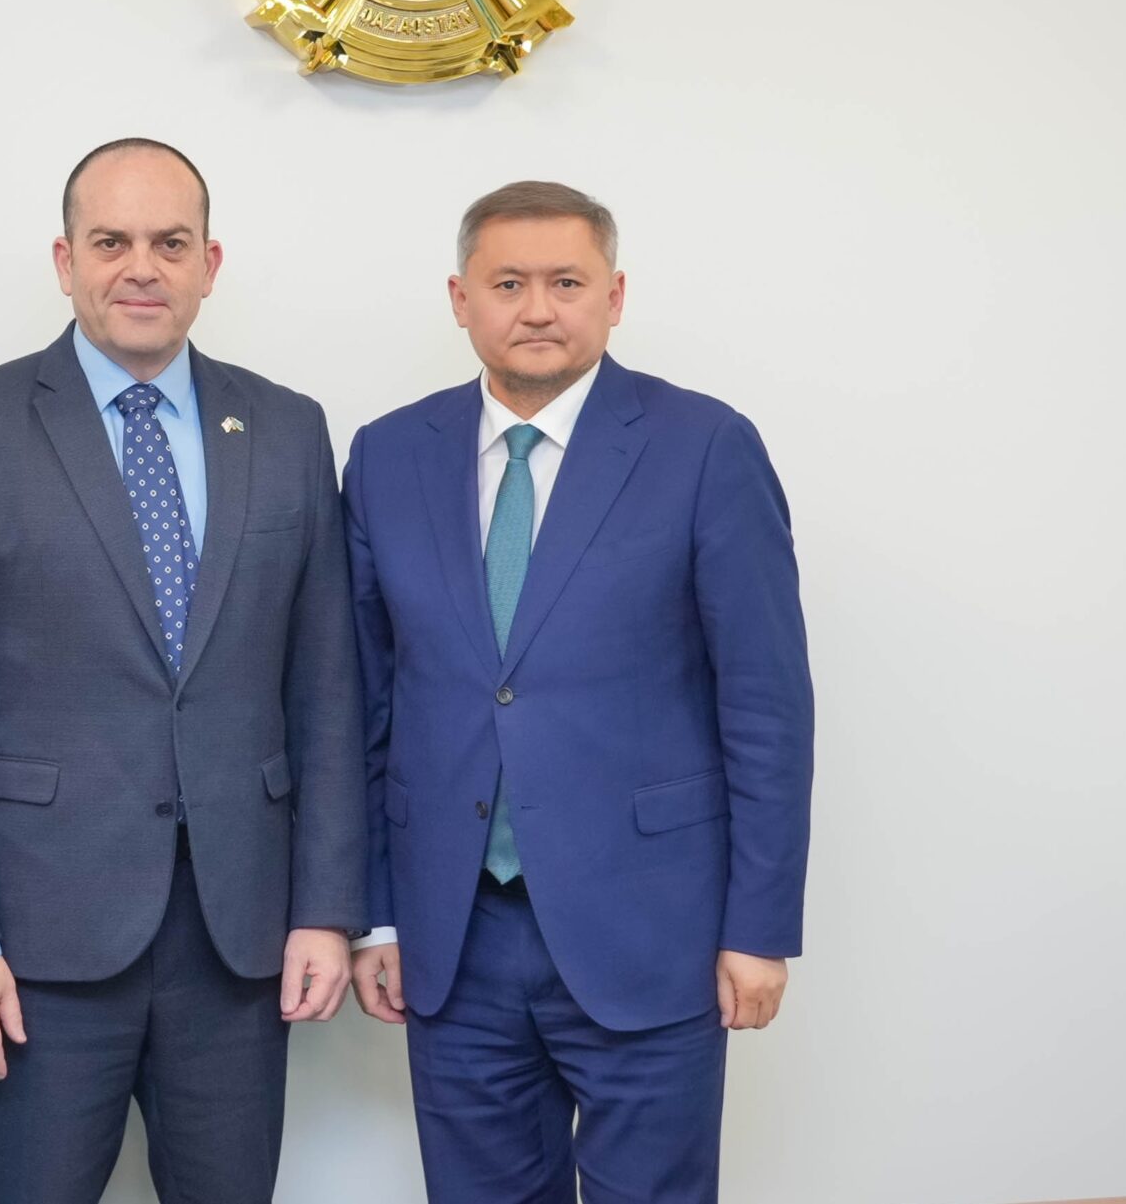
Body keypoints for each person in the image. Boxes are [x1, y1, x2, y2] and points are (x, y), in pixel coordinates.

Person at [0, 138, 365, 1203]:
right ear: (65, 261)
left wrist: (327, 908)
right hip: (32, 952)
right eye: (111, 242)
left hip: (238, 948)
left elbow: (327, 693)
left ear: (209, 264)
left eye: (170, 243)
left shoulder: (287, 428)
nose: (141, 267)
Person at [342, 180, 815, 1204]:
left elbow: (767, 708)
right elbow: (364, 707)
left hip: (652, 930)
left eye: (566, 282)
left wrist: (758, 927)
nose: (538, 308)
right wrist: (374, 917)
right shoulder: (386, 455)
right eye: (509, 283)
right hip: (454, 936)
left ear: (615, 295)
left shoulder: (704, 446)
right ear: (461, 299)